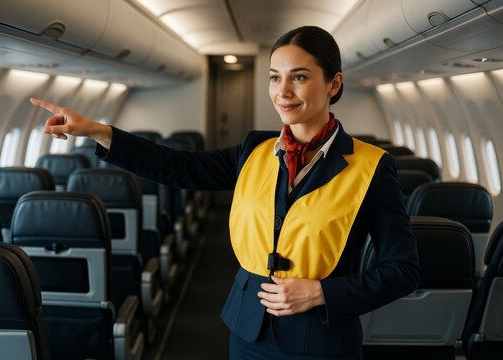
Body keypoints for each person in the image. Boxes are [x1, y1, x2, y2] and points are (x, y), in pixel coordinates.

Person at [31, 26, 419, 360]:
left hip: (320, 338)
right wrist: (100, 131)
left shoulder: (371, 166)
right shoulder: (254, 149)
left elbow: (403, 271)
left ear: (333, 83)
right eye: (274, 77)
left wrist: (322, 293)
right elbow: (179, 166)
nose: (282, 91)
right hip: (248, 330)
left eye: (298, 77)